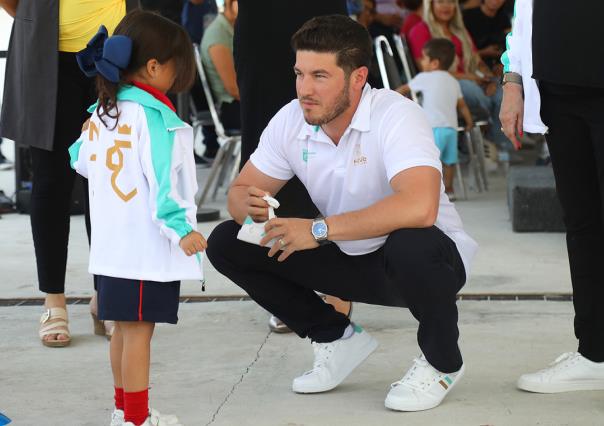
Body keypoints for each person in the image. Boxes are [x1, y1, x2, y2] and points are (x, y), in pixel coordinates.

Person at [207, 15, 477, 411]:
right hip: (350, 257)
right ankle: (336, 338)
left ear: (357, 77)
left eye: (320, 75)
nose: (304, 90)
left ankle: (443, 363)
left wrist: (317, 229)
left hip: (425, 265)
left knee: (412, 242)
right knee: (227, 242)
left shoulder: (395, 114)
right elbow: (240, 192)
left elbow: (420, 207)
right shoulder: (290, 118)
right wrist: (245, 203)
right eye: (300, 74)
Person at [70, 11, 205, 426]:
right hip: (144, 250)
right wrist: (182, 230)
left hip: (111, 249)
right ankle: (138, 419)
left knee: (122, 332)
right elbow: (163, 185)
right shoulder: (154, 118)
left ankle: (122, 412)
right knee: (139, 336)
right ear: (153, 67)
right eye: (176, 65)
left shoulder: (101, 112)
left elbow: (78, 160)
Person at [0, 0, 138, 347]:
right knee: (50, 181)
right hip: (49, 56)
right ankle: (53, 299)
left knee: (110, 181)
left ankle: (106, 296)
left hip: (115, 54)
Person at [499, 0, 604, 393]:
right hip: (558, 89)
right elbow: (523, 12)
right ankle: (595, 352)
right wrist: (512, 81)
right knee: (582, 225)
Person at [234, 0, 352, 333]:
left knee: (335, 129)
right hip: (262, 22)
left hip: (320, 12)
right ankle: (287, 281)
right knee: (267, 138)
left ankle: (339, 277)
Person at [408, 0, 509, 153]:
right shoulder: (420, 30)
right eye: (440, 2)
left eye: (450, 2)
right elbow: (429, 71)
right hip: (445, 84)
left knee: (503, 92)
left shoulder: (459, 29)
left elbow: (476, 60)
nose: (446, 6)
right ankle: (482, 136)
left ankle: (499, 147)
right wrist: (470, 77)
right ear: (431, 5)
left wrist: (489, 79)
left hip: (474, 78)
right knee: (471, 90)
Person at [397, 38, 473, 200]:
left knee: (430, 161)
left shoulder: (424, 78)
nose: (422, 61)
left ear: (434, 63)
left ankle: (431, 191)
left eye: (424, 58)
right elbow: (462, 105)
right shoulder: (453, 81)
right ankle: (450, 190)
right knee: (449, 161)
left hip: (433, 128)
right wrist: (469, 121)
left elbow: (404, 89)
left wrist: (386, 96)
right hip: (451, 129)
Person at [200, 0, 240, 131]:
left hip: (239, 103)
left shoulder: (234, 27)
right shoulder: (217, 34)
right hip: (230, 108)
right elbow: (234, 90)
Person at [462, 0, 510, 71]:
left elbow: (507, 45)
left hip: (497, 65)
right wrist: (483, 52)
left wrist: (501, 63)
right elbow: (463, 48)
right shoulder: (467, 16)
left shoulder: (504, 18)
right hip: (472, 65)